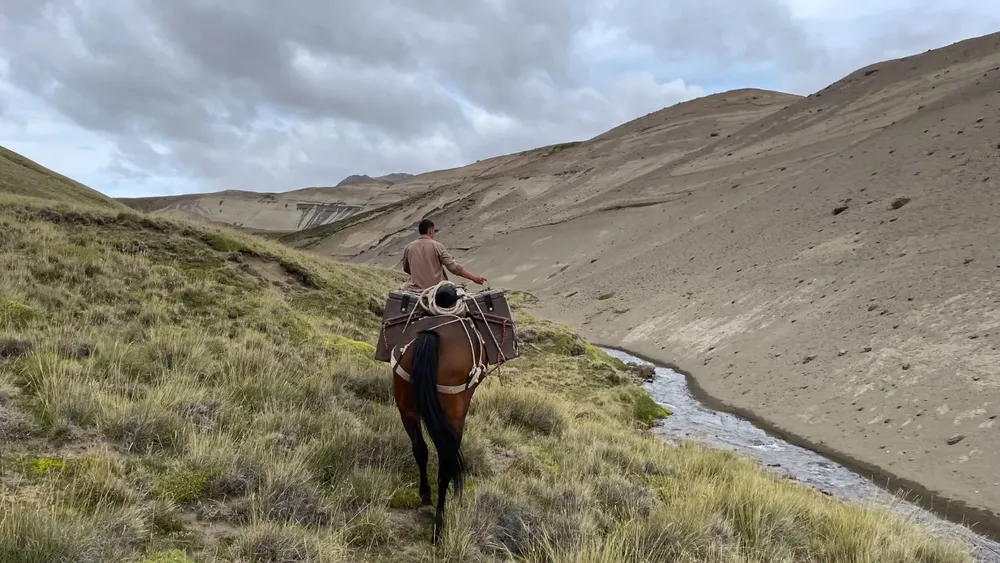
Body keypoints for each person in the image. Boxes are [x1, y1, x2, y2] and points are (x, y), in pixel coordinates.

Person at [400, 219, 486, 292]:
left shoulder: (409, 247)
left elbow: (407, 269)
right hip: (436, 291)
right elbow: (454, 268)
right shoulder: (437, 246)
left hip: (415, 291)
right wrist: (474, 278)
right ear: (430, 230)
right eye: (433, 231)